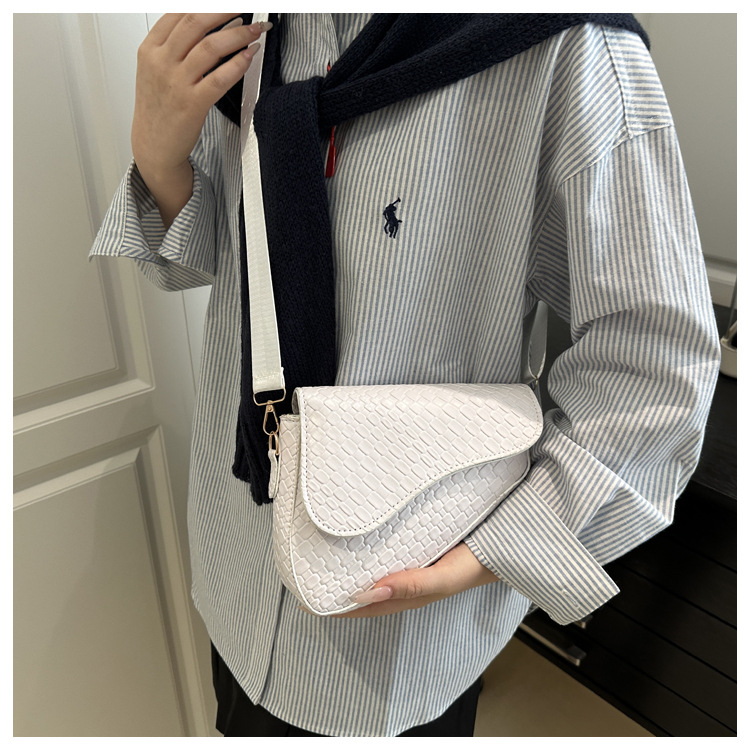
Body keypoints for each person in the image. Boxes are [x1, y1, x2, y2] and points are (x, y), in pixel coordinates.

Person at [90, 13, 720, 737]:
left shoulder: (567, 45)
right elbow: (210, 258)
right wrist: (160, 160)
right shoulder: (248, 28)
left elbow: (657, 366)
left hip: (397, 628)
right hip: (236, 561)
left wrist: (496, 554)